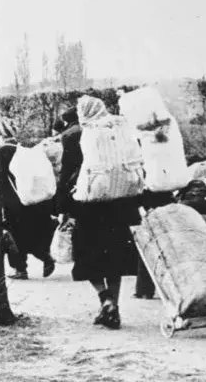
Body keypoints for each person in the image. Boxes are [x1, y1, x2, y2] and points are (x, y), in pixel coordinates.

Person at [57, 97, 140, 329]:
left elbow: (67, 174)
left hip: (87, 206)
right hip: (119, 204)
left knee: (87, 255)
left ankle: (105, 300)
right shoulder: (119, 131)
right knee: (115, 257)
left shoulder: (75, 136)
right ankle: (115, 307)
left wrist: (62, 208)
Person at [0, 118, 57, 280]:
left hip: (13, 202)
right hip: (29, 199)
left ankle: (20, 269)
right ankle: (44, 256)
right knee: (30, 232)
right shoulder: (19, 150)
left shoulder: (0, 154)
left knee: (14, 236)